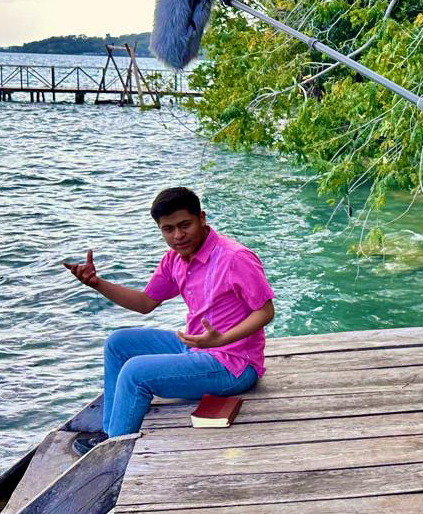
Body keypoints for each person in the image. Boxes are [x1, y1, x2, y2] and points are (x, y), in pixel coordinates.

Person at [63, 186, 274, 454]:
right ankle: (111, 433)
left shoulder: (235, 258)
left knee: (136, 373)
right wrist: (97, 284)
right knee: (118, 344)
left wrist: (221, 339)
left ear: (202, 218)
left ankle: (113, 453)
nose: (178, 236)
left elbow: (265, 311)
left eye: (185, 225)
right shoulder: (175, 258)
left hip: (233, 364)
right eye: (168, 229)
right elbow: (145, 303)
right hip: (196, 346)